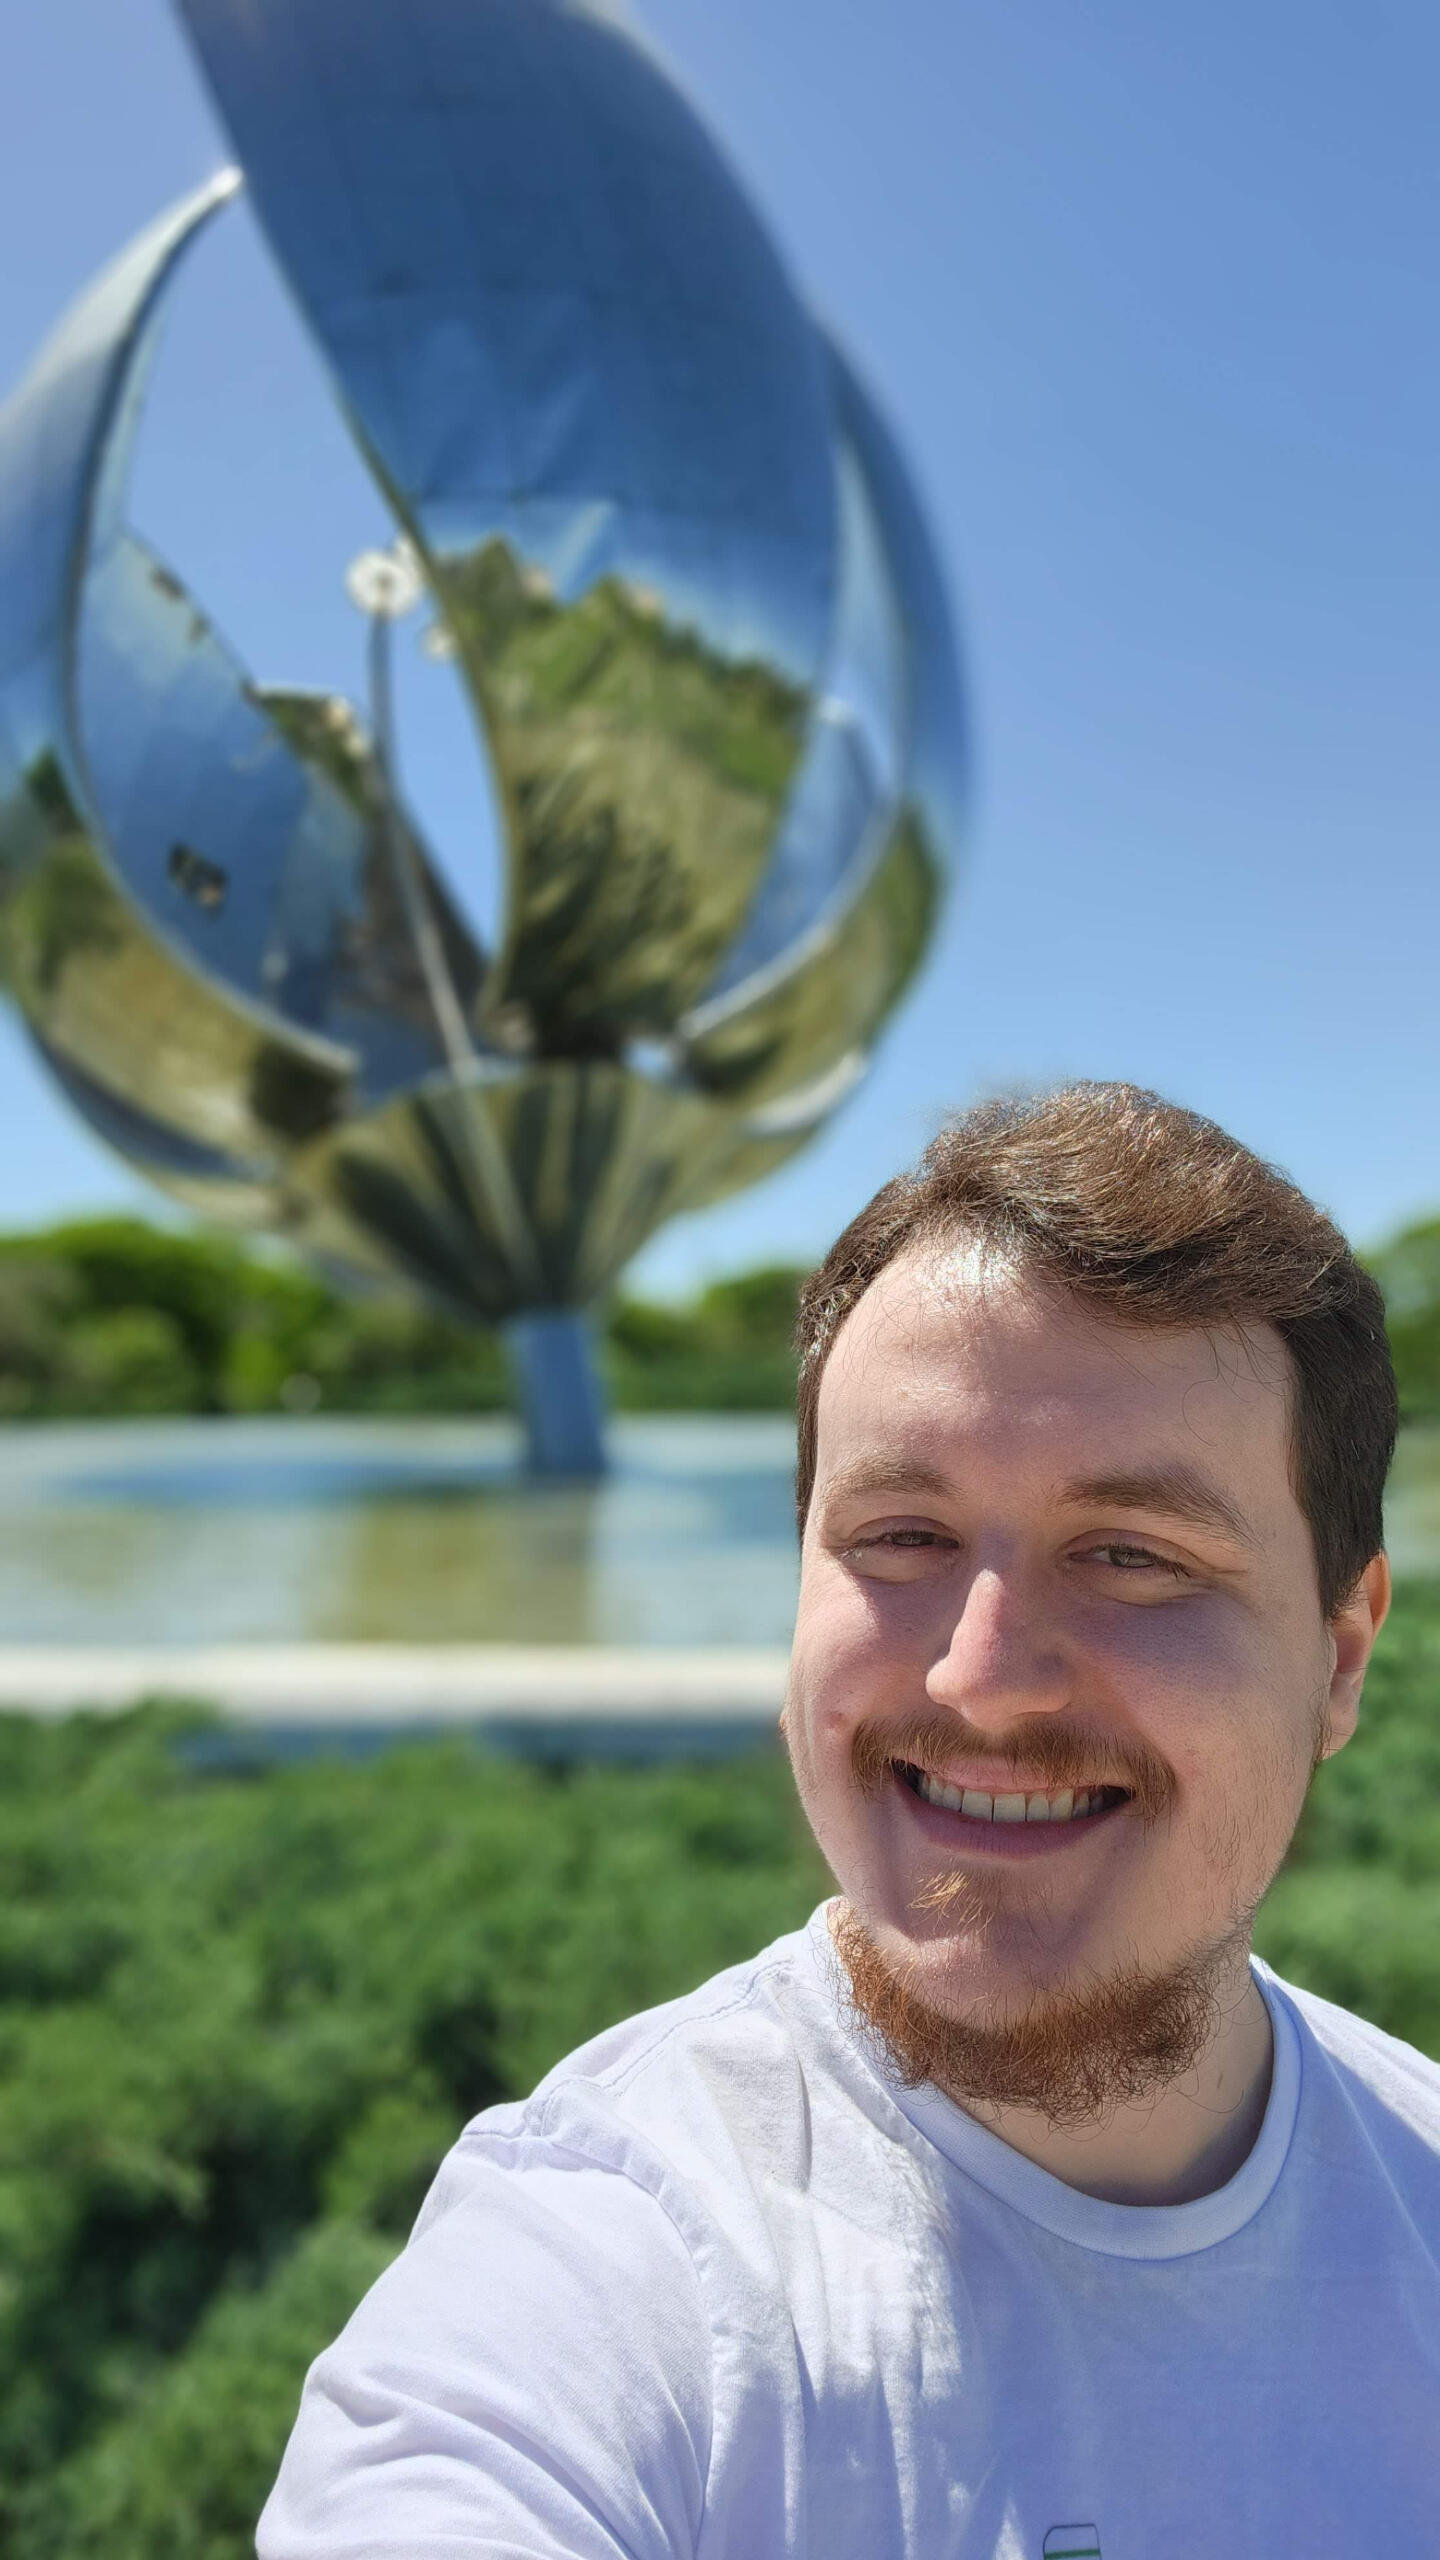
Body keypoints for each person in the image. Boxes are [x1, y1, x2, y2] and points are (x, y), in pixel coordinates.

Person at [258, 1083, 1440, 2558]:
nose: (980, 1676)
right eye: (902, 1538)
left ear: (1338, 1657)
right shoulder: (606, 2259)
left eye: (1133, 1554)